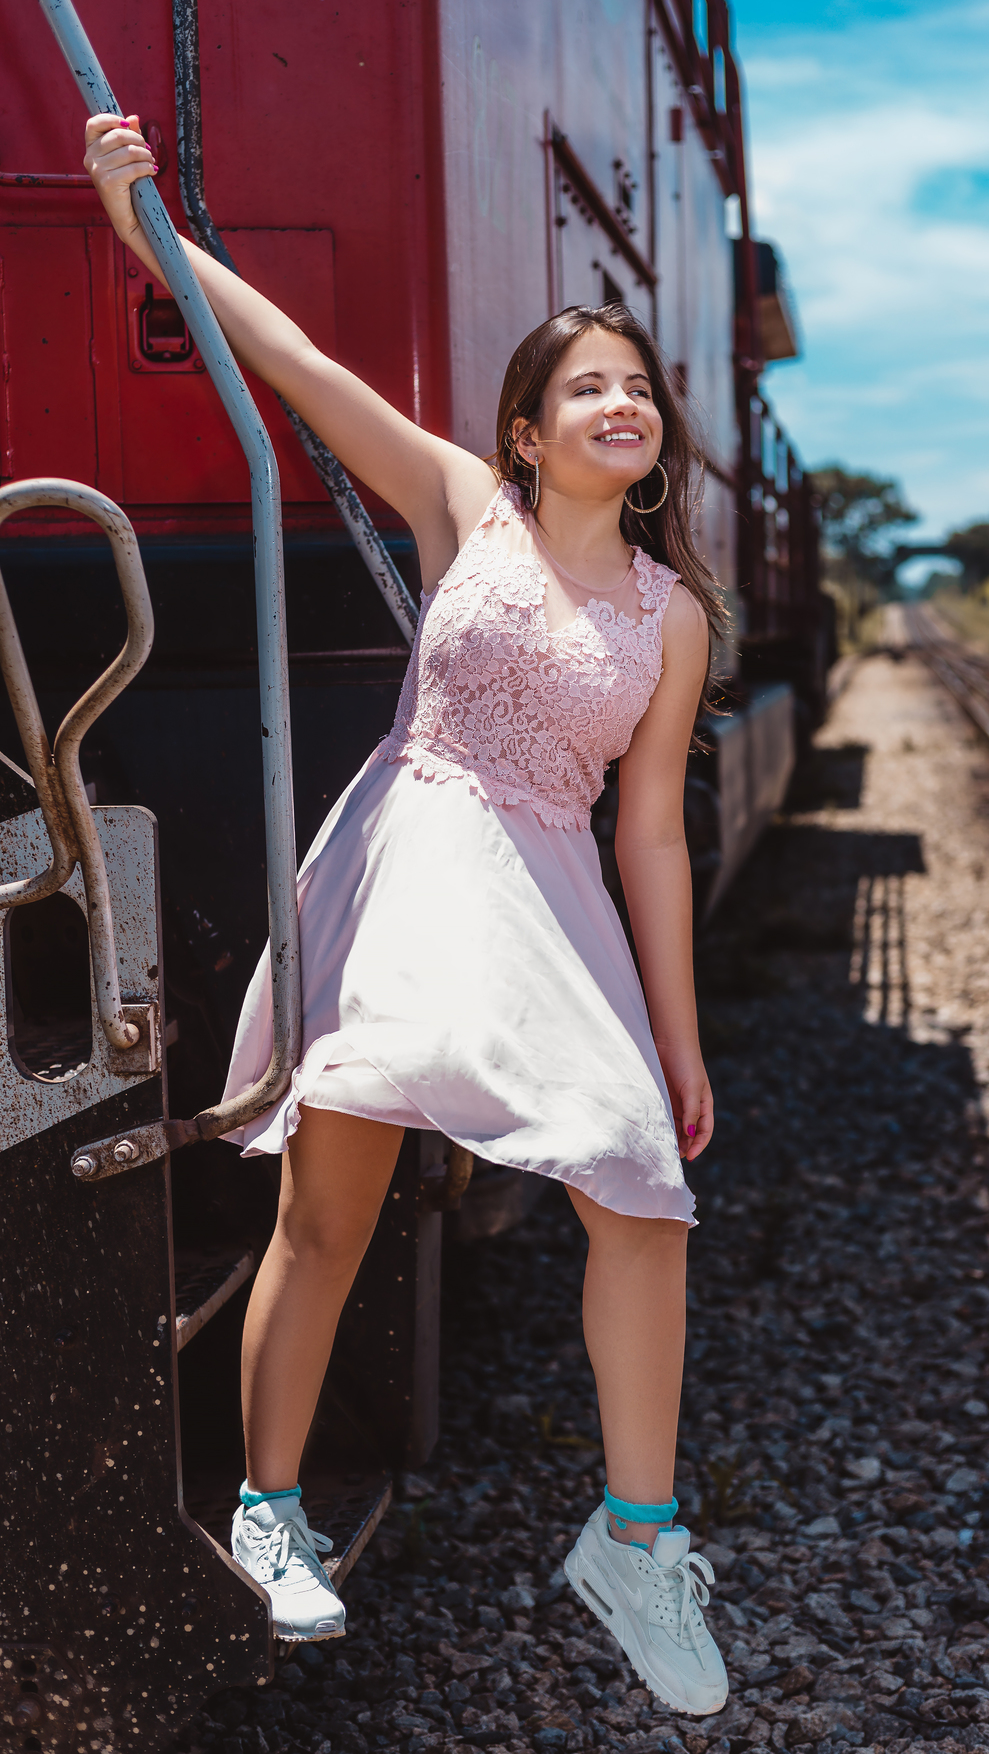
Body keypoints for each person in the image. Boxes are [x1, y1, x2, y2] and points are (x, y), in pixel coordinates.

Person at [85, 112, 728, 1716]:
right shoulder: (463, 509)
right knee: (333, 1204)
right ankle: (271, 1508)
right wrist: (139, 220)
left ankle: (636, 1543)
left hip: (553, 901)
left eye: (638, 387)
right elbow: (297, 362)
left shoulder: (675, 618)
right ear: (524, 432)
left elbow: (650, 834)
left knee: (644, 1192)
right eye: (588, 385)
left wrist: (678, 1036)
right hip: (413, 857)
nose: (622, 402)